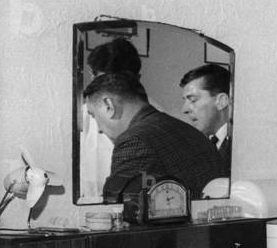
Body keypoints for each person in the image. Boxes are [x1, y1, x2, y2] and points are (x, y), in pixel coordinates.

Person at [83, 72, 225, 200]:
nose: (99, 130)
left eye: (93, 115)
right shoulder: (193, 133)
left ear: (109, 105)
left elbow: (119, 209)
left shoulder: (133, 140)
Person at [80, 38, 145, 202]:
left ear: (137, 78)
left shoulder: (156, 118)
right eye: (103, 83)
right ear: (92, 77)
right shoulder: (84, 115)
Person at [180, 64, 233, 172]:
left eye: (193, 100)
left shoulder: (241, 146)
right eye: (184, 101)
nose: (184, 109)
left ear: (222, 101)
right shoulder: (198, 145)